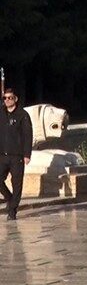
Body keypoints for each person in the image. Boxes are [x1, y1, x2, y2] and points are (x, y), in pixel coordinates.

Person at [0, 88, 33, 220]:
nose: (7, 100)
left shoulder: (22, 115)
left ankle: (12, 210)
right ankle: (10, 199)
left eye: (10, 98)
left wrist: (27, 154)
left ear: (15, 99)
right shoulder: (1, 113)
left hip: (17, 156)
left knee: (17, 183)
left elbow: (27, 135)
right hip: (2, 154)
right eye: (5, 98)